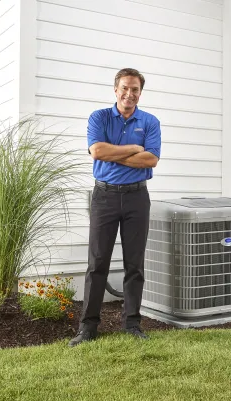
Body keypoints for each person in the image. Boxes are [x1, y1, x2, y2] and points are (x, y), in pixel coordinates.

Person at [69, 68, 161, 347]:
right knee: (97, 264)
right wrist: (134, 148)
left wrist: (114, 153)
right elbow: (97, 152)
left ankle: (132, 324)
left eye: (134, 89)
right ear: (115, 89)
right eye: (124, 88)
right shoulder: (99, 117)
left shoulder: (150, 121)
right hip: (104, 197)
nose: (129, 94)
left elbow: (151, 160)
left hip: (137, 199)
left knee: (135, 264)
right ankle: (88, 328)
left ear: (140, 93)